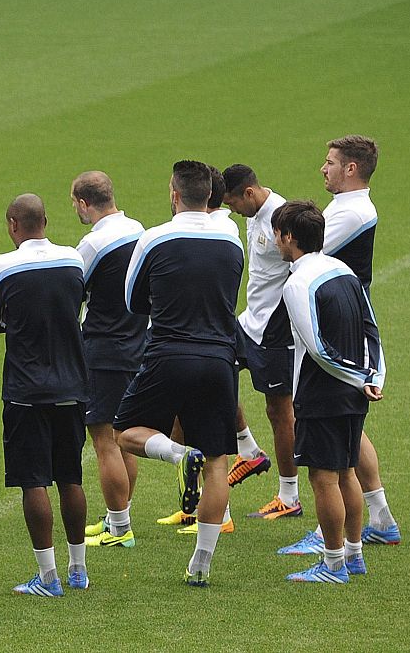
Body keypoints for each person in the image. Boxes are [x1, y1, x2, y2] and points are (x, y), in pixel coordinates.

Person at [112, 160, 244, 588]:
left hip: (168, 351)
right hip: (220, 358)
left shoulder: (154, 237)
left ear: (174, 194)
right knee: (219, 462)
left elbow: (133, 300)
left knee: (124, 431)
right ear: (211, 197)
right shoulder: (232, 237)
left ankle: (176, 453)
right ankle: (201, 565)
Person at [280, 134, 402, 554]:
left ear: (351, 168)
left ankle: (332, 542)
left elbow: (306, 246)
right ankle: (378, 519)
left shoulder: (353, 213)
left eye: (330, 162)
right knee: (350, 438)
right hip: (342, 316)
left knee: (332, 456)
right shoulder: (345, 206)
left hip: (333, 322)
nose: (323, 168)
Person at [0, 194, 90, 596]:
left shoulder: (2, 266)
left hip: (27, 389)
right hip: (73, 385)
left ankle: (48, 577)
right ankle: (78, 570)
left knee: (33, 480)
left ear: (13, 224)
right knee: (70, 476)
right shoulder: (73, 260)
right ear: (46, 220)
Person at [275, 200, 385, 582]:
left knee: (323, 480)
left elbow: (318, 348)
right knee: (347, 474)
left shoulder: (297, 283)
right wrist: (374, 377)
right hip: (356, 393)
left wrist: (358, 378)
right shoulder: (344, 270)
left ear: (288, 237)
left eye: (277, 234)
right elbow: (372, 329)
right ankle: (353, 556)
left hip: (322, 394)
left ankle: (334, 564)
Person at [219, 165, 300, 519]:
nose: (232, 210)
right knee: (214, 375)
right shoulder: (254, 212)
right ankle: (249, 451)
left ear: (248, 193)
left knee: (279, 411)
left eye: (233, 203)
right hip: (249, 321)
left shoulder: (282, 218)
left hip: (276, 330)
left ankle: (290, 495)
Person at [70, 172, 144, 549]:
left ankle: (119, 527)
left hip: (103, 347)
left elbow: (71, 289)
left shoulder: (93, 243)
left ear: (84, 203)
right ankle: (120, 515)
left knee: (104, 439)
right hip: (138, 342)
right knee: (124, 435)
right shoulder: (139, 229)